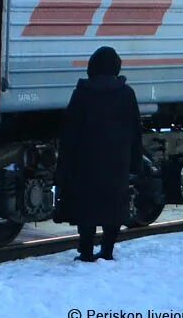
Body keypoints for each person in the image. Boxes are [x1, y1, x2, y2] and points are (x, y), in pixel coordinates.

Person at [57, 46, 143, 261]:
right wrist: (136, 163)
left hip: (86, 163)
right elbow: (135, 130)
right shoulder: (127, 94)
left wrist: (63, 166)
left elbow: (69, 133)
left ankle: (85, 251)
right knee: (114, 207)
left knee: (86, 207)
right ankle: (107, 250)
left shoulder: (82, 93)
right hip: (117, 162)